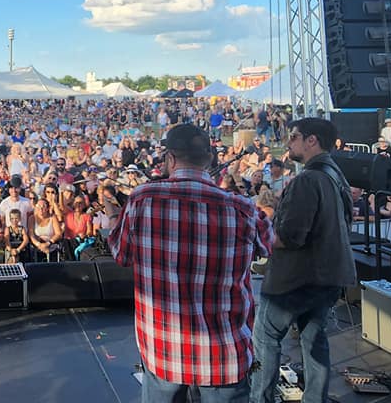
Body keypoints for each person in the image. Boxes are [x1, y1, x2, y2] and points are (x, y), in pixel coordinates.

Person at [111, 123, 272, 402]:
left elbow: (121, 255)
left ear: (169, 158)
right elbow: (270, 246)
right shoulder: (243, 208)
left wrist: (113, 214)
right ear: (210, 158)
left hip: (164, 349)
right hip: (225, 355)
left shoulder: (142, 199)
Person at [252, 117, 358, 403]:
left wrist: (257, 235)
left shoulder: (308, 179)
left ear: (312, 141)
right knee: (315, 340)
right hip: (329, 275)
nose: (288, 142)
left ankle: (259, 399)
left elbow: (289, 237)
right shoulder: (335, 174)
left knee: (264, 339)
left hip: (295, 280)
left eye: (294, 136)